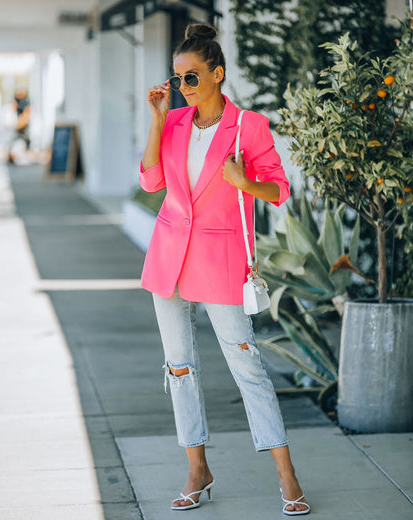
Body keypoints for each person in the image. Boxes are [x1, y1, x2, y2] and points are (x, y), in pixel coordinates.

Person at [139, 23, 310, 516]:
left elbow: (280, 189)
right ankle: (197, 468)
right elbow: (151, 181)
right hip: (169, 259)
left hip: (219, 262)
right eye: (177, 79)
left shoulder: (249, 126)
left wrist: (243, 181)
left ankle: (286, 473)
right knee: (180, 367)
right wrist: (156, 119)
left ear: (216, 74)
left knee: (247, 367)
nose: (183, 88)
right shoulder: (172, 122)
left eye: (191, 78)